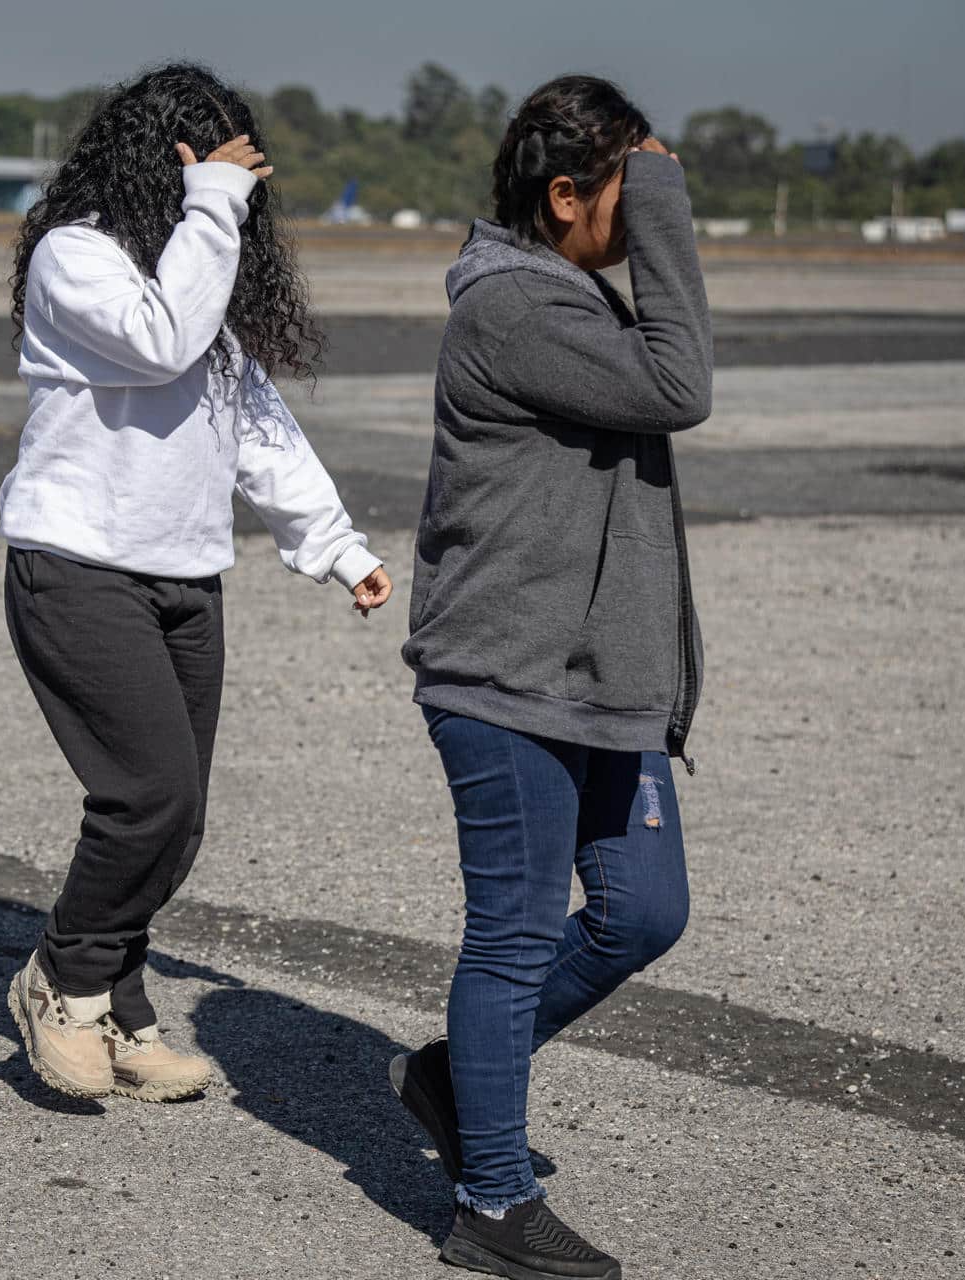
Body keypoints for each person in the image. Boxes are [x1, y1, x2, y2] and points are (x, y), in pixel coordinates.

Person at [0, 63, 393, 1103]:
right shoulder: (72, 256)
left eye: (243, 174)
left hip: (183, 577)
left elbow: (259, 429)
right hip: (77, 563)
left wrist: (338, 546)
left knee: (178, 819)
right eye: (213, 166)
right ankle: (61, 981)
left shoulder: (198, 278)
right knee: (145, 795)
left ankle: (121, 1014)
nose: (230, 190)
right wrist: (215, 208)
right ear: (159, 159)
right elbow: (157, 339)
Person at [390, 75, 713, 1279]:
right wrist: (669, 198)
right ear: (565, 194)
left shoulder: (570, 296)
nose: (649, 218)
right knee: (515, 934)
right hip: (506, 679)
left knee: (645, 909)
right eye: (635, 192)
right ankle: (493, 1202)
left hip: (593, 681)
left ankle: (450, 1072)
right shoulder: (515, 308)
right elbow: (684, 384)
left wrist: (654, 193)